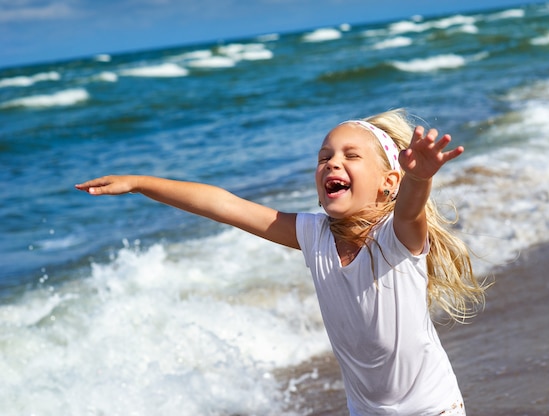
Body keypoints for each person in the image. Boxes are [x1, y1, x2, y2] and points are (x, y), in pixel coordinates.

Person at [76, 108, 485, 415]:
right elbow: (224, 205)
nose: (332, 163)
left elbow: (411, 210)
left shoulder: (396, 239)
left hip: (432, 408)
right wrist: (140, 183)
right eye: (325, 156)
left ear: (388, 184)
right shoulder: (314, 235)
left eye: (351, 156)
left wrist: (421, 178)